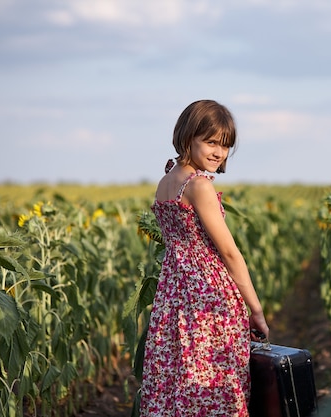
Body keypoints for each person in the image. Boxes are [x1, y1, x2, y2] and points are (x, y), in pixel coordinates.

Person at [139, 99, 270, 417]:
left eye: (225, 146)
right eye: (210, 142)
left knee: (177, 375)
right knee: (213, 380)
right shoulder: (199, 187)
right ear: (188, 138)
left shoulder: (165, 183)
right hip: (207, 297)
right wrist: (256, 310)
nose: (219, 152)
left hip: (173, 295)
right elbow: (229, 253)